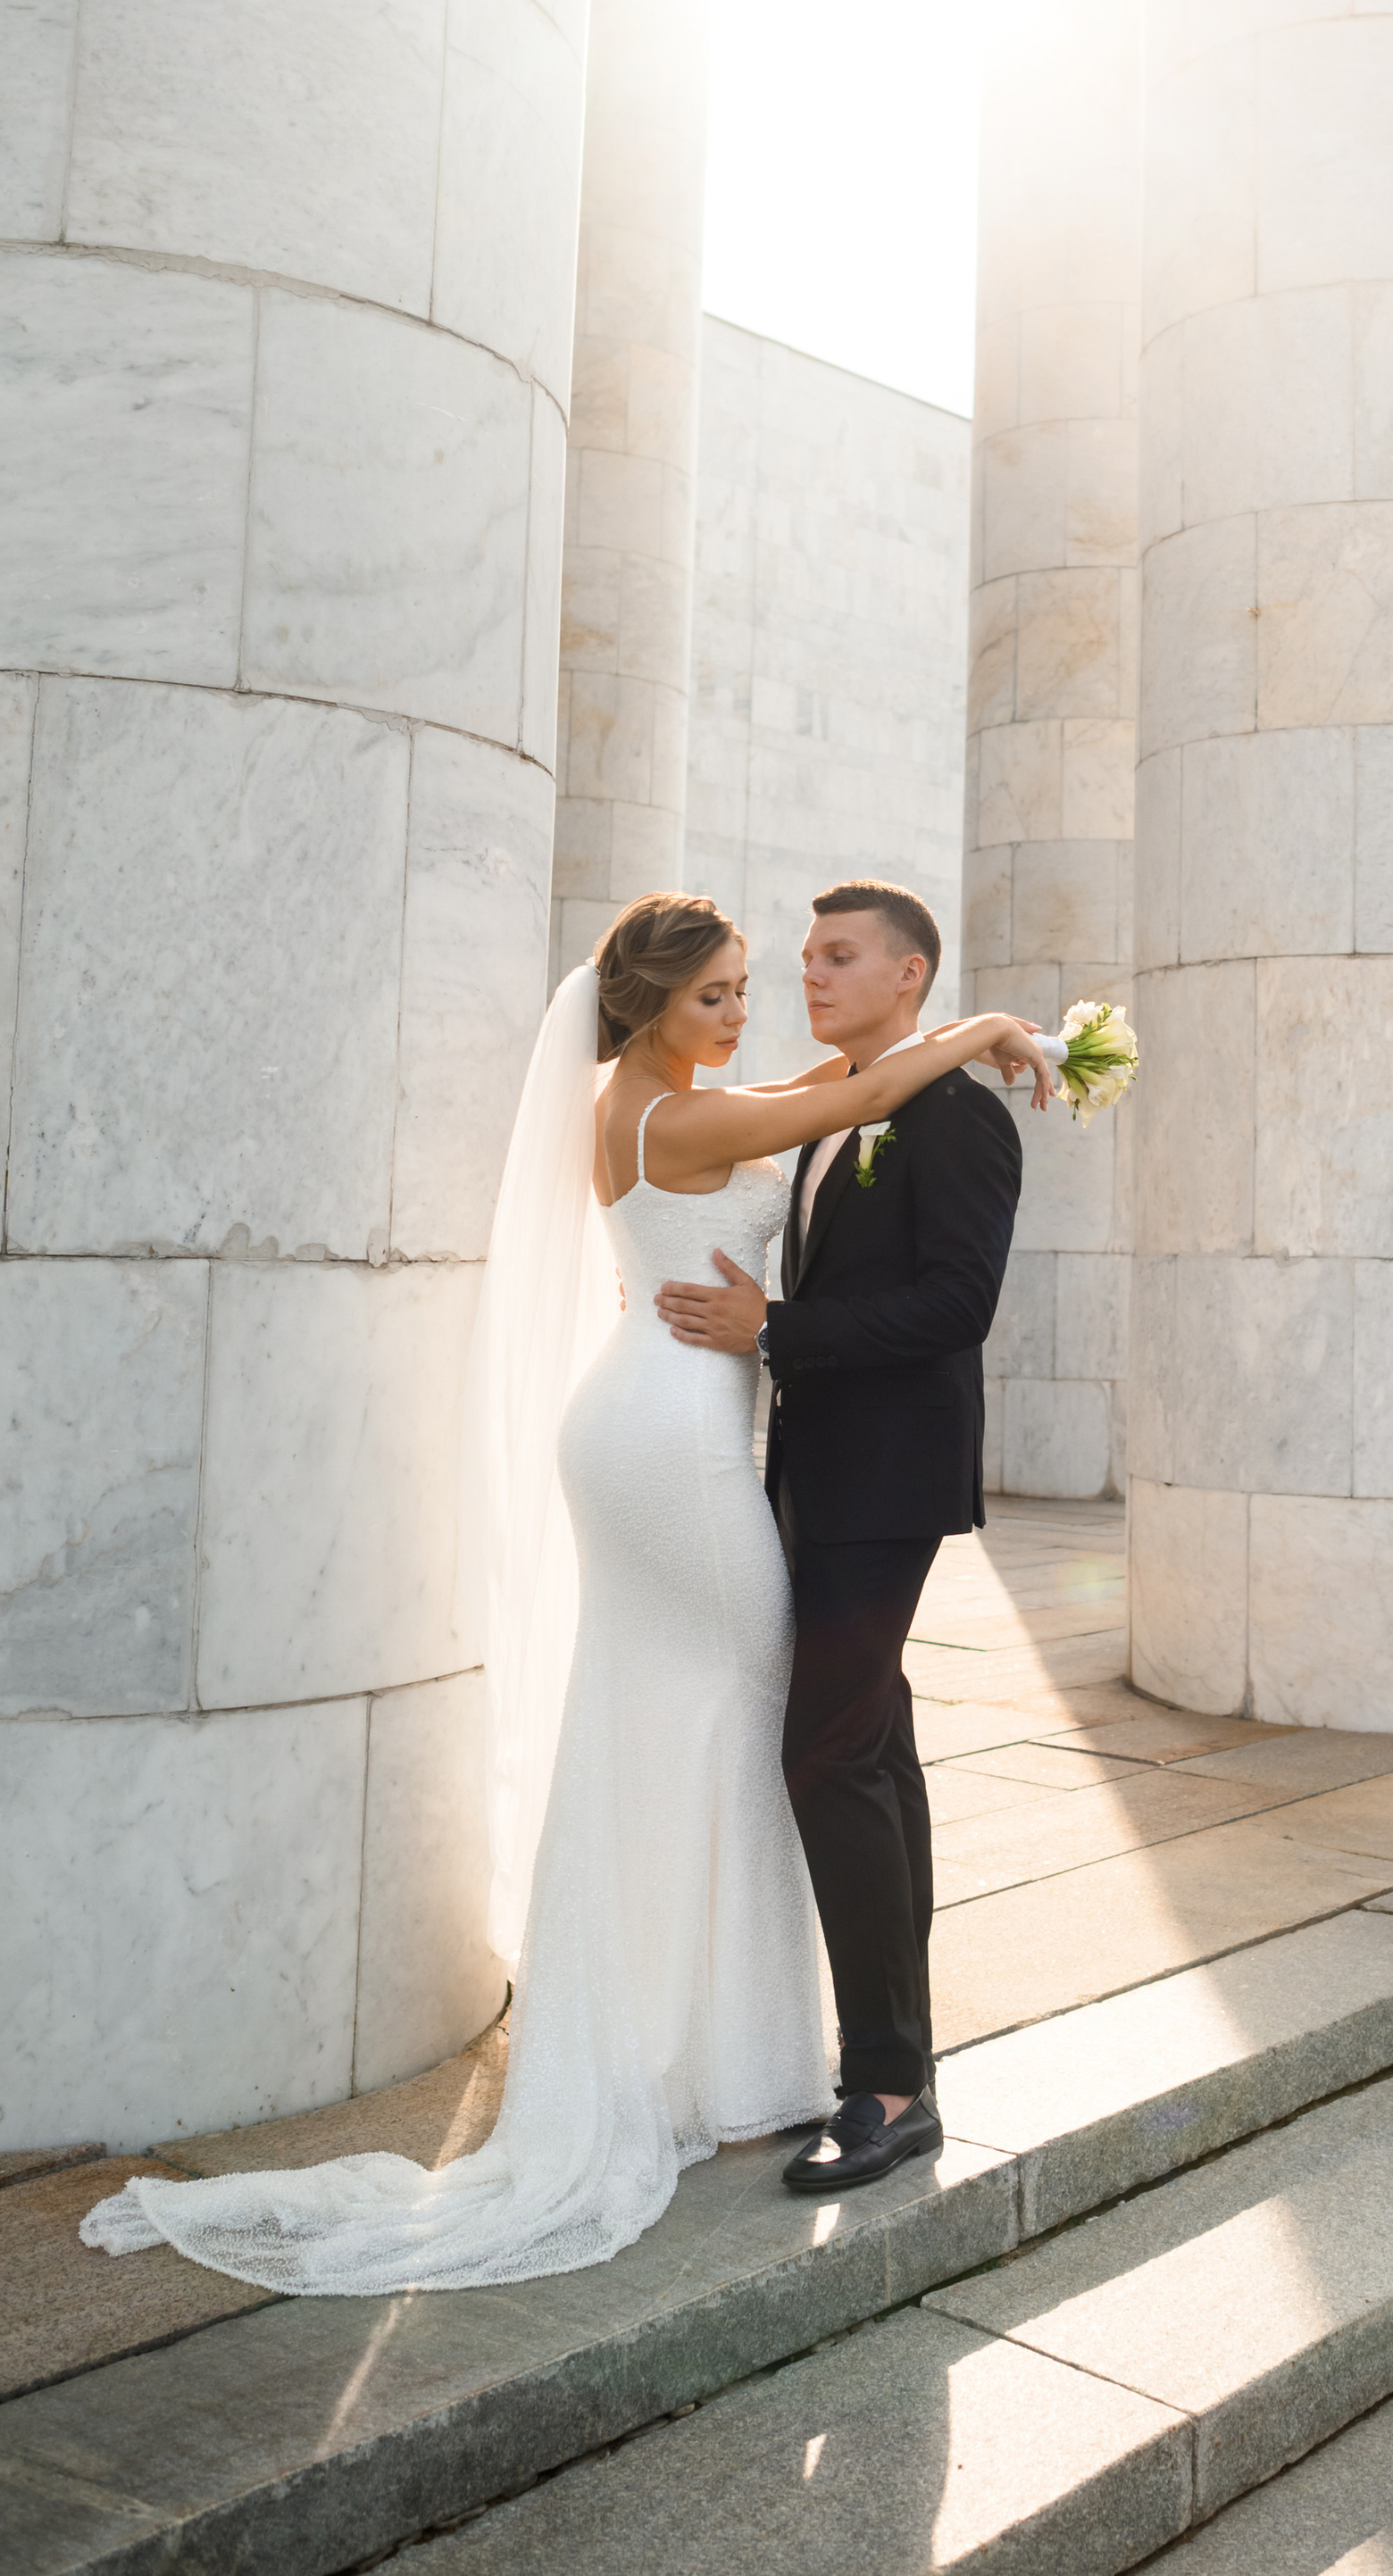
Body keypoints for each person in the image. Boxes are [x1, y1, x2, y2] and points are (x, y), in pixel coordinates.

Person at [79, 894, 1050, 2293]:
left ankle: (755, 2050)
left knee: (741, 1726)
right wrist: (992, 1025)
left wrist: (954, 1046)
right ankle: (792, 2061)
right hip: (672, 1444)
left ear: (902, 969)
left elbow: (853, 1109)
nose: (750, 1007)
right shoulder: (680, 1115)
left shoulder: (655, 1099)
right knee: (788, 1732)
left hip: (660, 1427)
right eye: (719, 992)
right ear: (650, 1007)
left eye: (764, 981)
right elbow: (857, 1092)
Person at [655, 881, 1022, 2193]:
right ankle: (901, 2057)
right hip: (810, 1470)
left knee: (825, 1752)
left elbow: (958, 1306)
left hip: (889, 1479)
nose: (811, 974)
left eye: (840, 956)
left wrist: (776, 1329)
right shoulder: (840, 1110)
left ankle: (885, 2088)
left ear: (909, 974)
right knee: (870, 1748)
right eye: (806, 957)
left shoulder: (958, 1117)